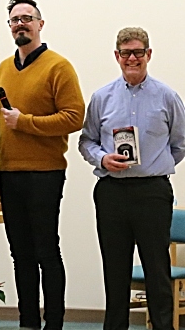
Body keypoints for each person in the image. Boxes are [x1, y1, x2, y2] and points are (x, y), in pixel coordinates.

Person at [79, 27, 185, 330]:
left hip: (153, 192)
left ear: (148, 55)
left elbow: (180, 142)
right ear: (117, 56)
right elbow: (86, 141)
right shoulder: (101, 97)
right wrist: (103, 159)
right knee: (115, 270)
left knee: (157, 269)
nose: (132, 58)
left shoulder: (167, 96)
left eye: (139, 52)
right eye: (126, 53)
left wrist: (154, 166)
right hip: (112, 191)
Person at [0, 0, 85, 330]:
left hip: (45, 173)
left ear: (40, 24)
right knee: (20, 253)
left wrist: (27, 122)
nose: (21, 24)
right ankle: (28, 320)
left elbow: (75, 117)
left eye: (27, 18)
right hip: (10, 172)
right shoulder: (5, 67)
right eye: (15, 20)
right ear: (10, 27)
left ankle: (55, 322)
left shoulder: (58, 67)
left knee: (46, 250)